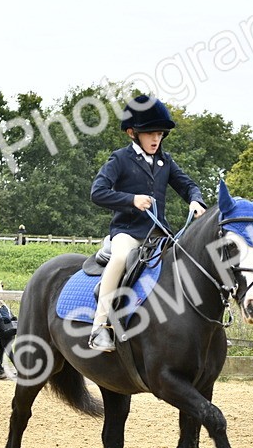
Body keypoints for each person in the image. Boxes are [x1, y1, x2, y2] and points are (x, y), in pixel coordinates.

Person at [88, 94, 206, 352]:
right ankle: (100, 327)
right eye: (150, 134)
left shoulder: (166, 161)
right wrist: (131, 200)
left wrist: (195, 201)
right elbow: (97, 192)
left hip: (159, 234)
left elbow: (187, 185)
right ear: (133, 133)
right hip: (128, 232)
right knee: (120, 259)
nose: (156, 139)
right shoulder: (120, 159)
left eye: (160, 134)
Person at [0, 300, 17, 368]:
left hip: (6, 333)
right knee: (1, 350)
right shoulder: (7, 308)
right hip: (10, 332)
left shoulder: (2, 309)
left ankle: (19, 369)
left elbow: (6, 319)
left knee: (9, 352)